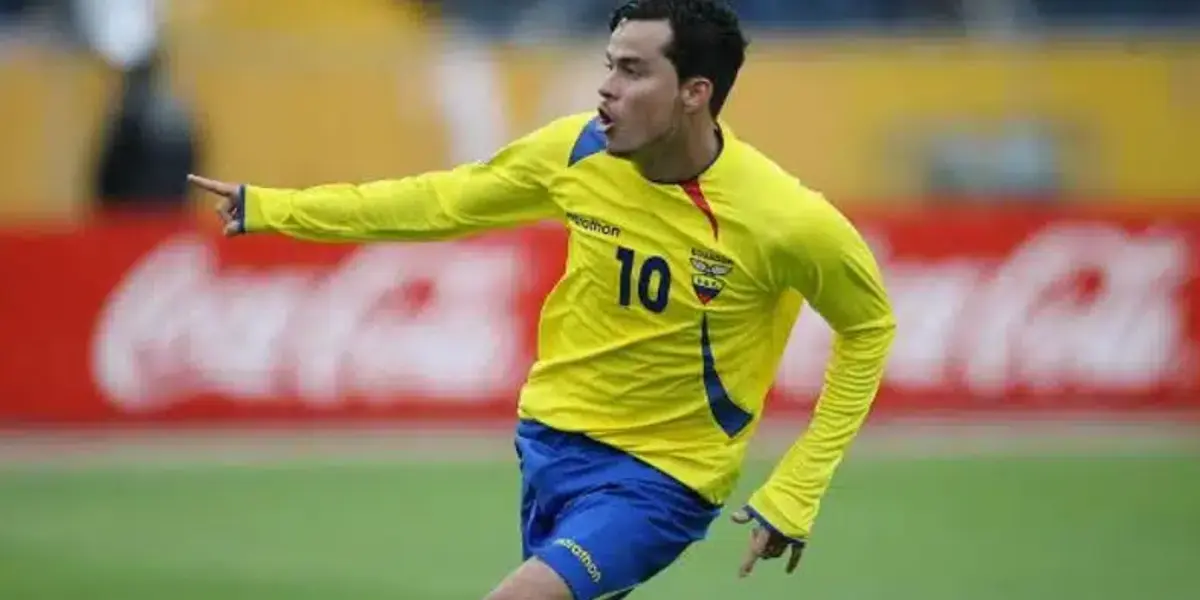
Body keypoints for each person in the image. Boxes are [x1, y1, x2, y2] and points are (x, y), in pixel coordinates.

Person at [190, 1, 896, 598]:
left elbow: (869, 328)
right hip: (550, 447)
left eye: (633, 70)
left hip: (663, 482)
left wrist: (798, 488)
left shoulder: (785, 219)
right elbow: (441, 202)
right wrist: (274, 207)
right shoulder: (577, 152)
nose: (606, 89)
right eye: (608, 64)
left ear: (694, 92)